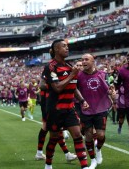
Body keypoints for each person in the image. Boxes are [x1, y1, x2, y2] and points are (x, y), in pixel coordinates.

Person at [43, 39, 89, 169]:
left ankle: (84, 166)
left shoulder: (69, 66)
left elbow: (73, 87)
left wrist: (82, 100)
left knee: (78, 135)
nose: (67, 48)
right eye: (64, 46)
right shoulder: (51, 67)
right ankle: (48, 165)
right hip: (55, 110)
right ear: (56, 49)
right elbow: (57, 87)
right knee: (54, 138)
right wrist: (72, 75)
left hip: (69, 108)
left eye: (67, 46)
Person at [77, 53, 115, 169]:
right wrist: (82, 101)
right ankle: (93, 160)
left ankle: (98, 149)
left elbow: (108, 89)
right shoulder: (78, 76)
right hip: (85, 109)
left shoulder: (102, 74)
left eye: (86, 59)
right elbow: (74, 90)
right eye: (82, 60)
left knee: (101, 135)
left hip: (100, 108)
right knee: (88, 135)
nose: (84, 62)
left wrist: (111, 92)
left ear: (93, 61)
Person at [35, 63, 77, 163]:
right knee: (49, 128)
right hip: (49, 102)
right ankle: (42, 154)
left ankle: (40, 153)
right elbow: (41, 85)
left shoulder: (61, 68)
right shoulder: (50, 68)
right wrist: (54, 85)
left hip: (53, 102)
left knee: (51, 129)